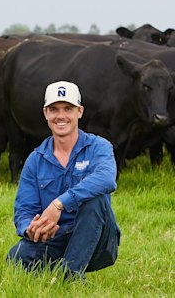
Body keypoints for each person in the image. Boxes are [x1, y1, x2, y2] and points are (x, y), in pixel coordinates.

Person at [7, 81, 120, 280]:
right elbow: (24, 210)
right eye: (54, 109)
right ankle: (62, 265)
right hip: (55, 236)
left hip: (96, 237)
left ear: (80, 111)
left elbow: (106, 179)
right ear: (45, 113)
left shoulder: (98, 147)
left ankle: (71, 275)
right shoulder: (36, 159)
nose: (61, 116)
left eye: (68, 108)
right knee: (16, 258)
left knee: (95, 199)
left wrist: (59, 204)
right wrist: (30, 228)